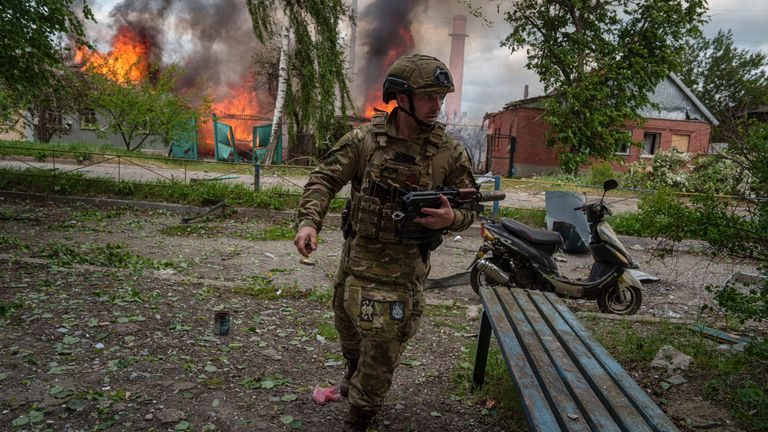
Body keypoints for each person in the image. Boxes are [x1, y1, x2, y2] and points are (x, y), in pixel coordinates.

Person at [293, 54, 476, 431]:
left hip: (403, 273)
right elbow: (324, 178)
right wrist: (309, 223)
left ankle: (361, 414)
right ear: (402, 98)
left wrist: (451, 218)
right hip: (356, 264)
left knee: (381, 352)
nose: (437, 105)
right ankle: (353, 374)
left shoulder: (448, 152)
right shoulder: (365, 140)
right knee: (350, 337)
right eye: (429, 96)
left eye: (440, 97)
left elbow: (471, 205)